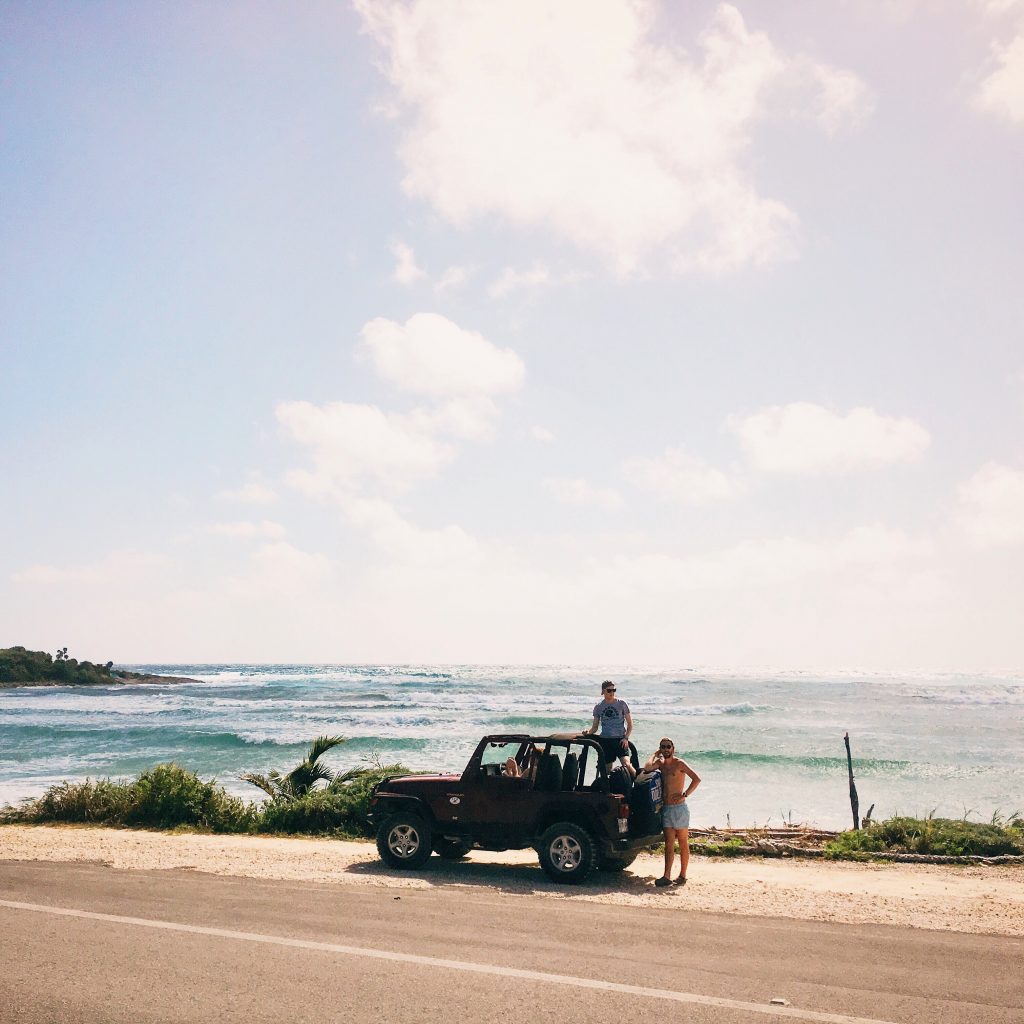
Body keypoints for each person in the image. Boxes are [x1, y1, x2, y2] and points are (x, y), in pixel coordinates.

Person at [643, 737, 700, 887]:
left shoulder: (679, 763)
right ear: (660, 749)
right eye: (663, 747)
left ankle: (682, 875)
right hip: (666, 808)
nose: (666, 749)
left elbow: (696, 779)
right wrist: (654, 755)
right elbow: (647, 768)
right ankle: (666, 876)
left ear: (673, 749)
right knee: (669, 843)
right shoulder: (661, 764)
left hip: (680, 809)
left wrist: (685, 794)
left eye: (668, 746)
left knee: (682, 842)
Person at [583, 680, 635, 778]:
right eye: (609, 690)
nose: (612, 693)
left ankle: (638, 783)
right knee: (607, 771)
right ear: (603, 691)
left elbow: (630, 723)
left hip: (620, 740)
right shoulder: (598, 707)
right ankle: (610, 790)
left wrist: (626, 738)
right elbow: (595, 727)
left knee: (627, 765)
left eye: (613, 690)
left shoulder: (622, 704)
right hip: (605, 740)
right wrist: (588, 732)